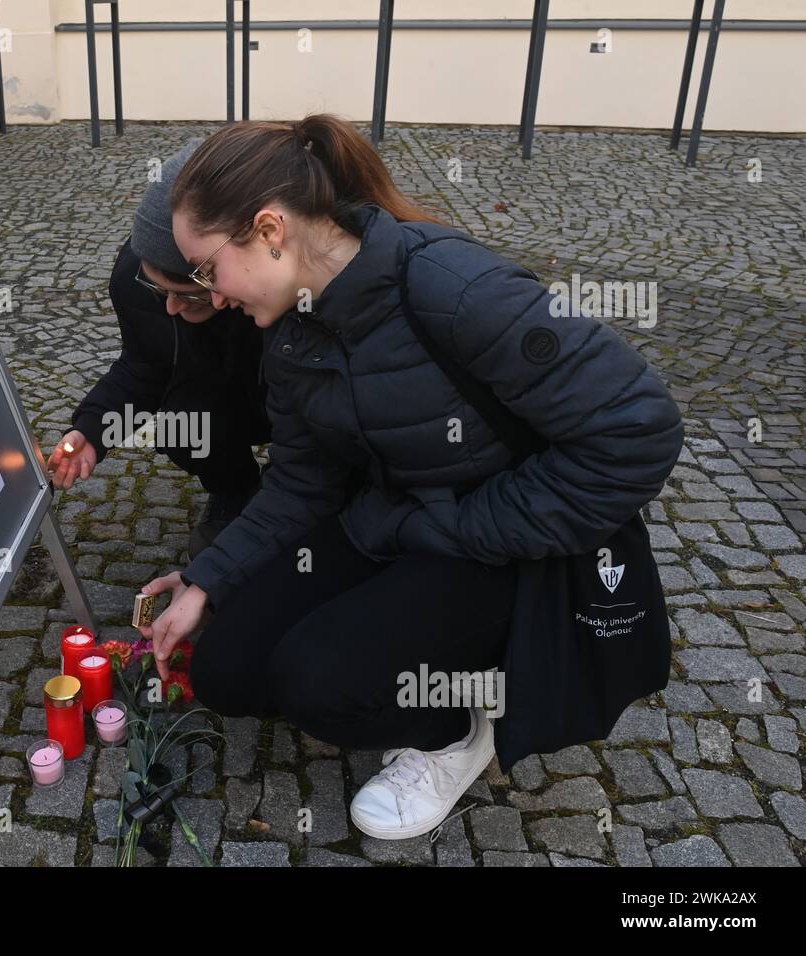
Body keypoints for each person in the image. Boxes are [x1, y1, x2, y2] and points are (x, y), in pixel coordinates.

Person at [138, 114, 684, 839]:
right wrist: (209, 577)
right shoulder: (292, 329)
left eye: (207, 269)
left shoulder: (458, 288)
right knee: (228, 671)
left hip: (510, 546)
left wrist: (464, 525)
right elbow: (302, 483)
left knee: (315, 681)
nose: (210, 293)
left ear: (270, 230)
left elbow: (637, 431)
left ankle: (459, 727)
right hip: (396, 521)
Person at [47, 141, 270, 557]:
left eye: (191, 295)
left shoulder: (286, 289)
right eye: (159, 290)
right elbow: (145, 366)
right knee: (178, 424)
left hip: (293, 400)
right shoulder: (134, 278)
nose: (170, 307)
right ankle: (236, 490)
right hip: (228, 400)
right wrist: (91, 430)